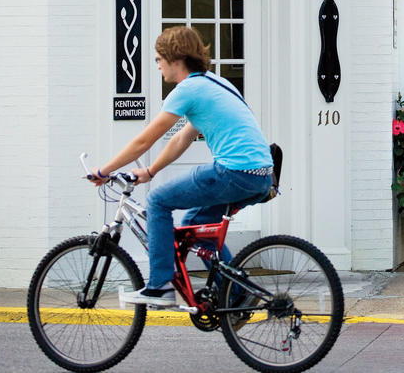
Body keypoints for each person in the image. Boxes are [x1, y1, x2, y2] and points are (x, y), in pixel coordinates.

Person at [89, 26, 273, 306]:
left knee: (158, 201)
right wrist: (150, 172)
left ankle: (160, 285)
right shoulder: (213, 83)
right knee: (194, 224)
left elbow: (143, 141)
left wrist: (103, 171)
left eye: (158, 59)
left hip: (234, 172)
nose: (158, 65)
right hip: (260, 176)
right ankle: (238, 294)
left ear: (175, 58)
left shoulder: (188, 89)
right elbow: (182, 138)